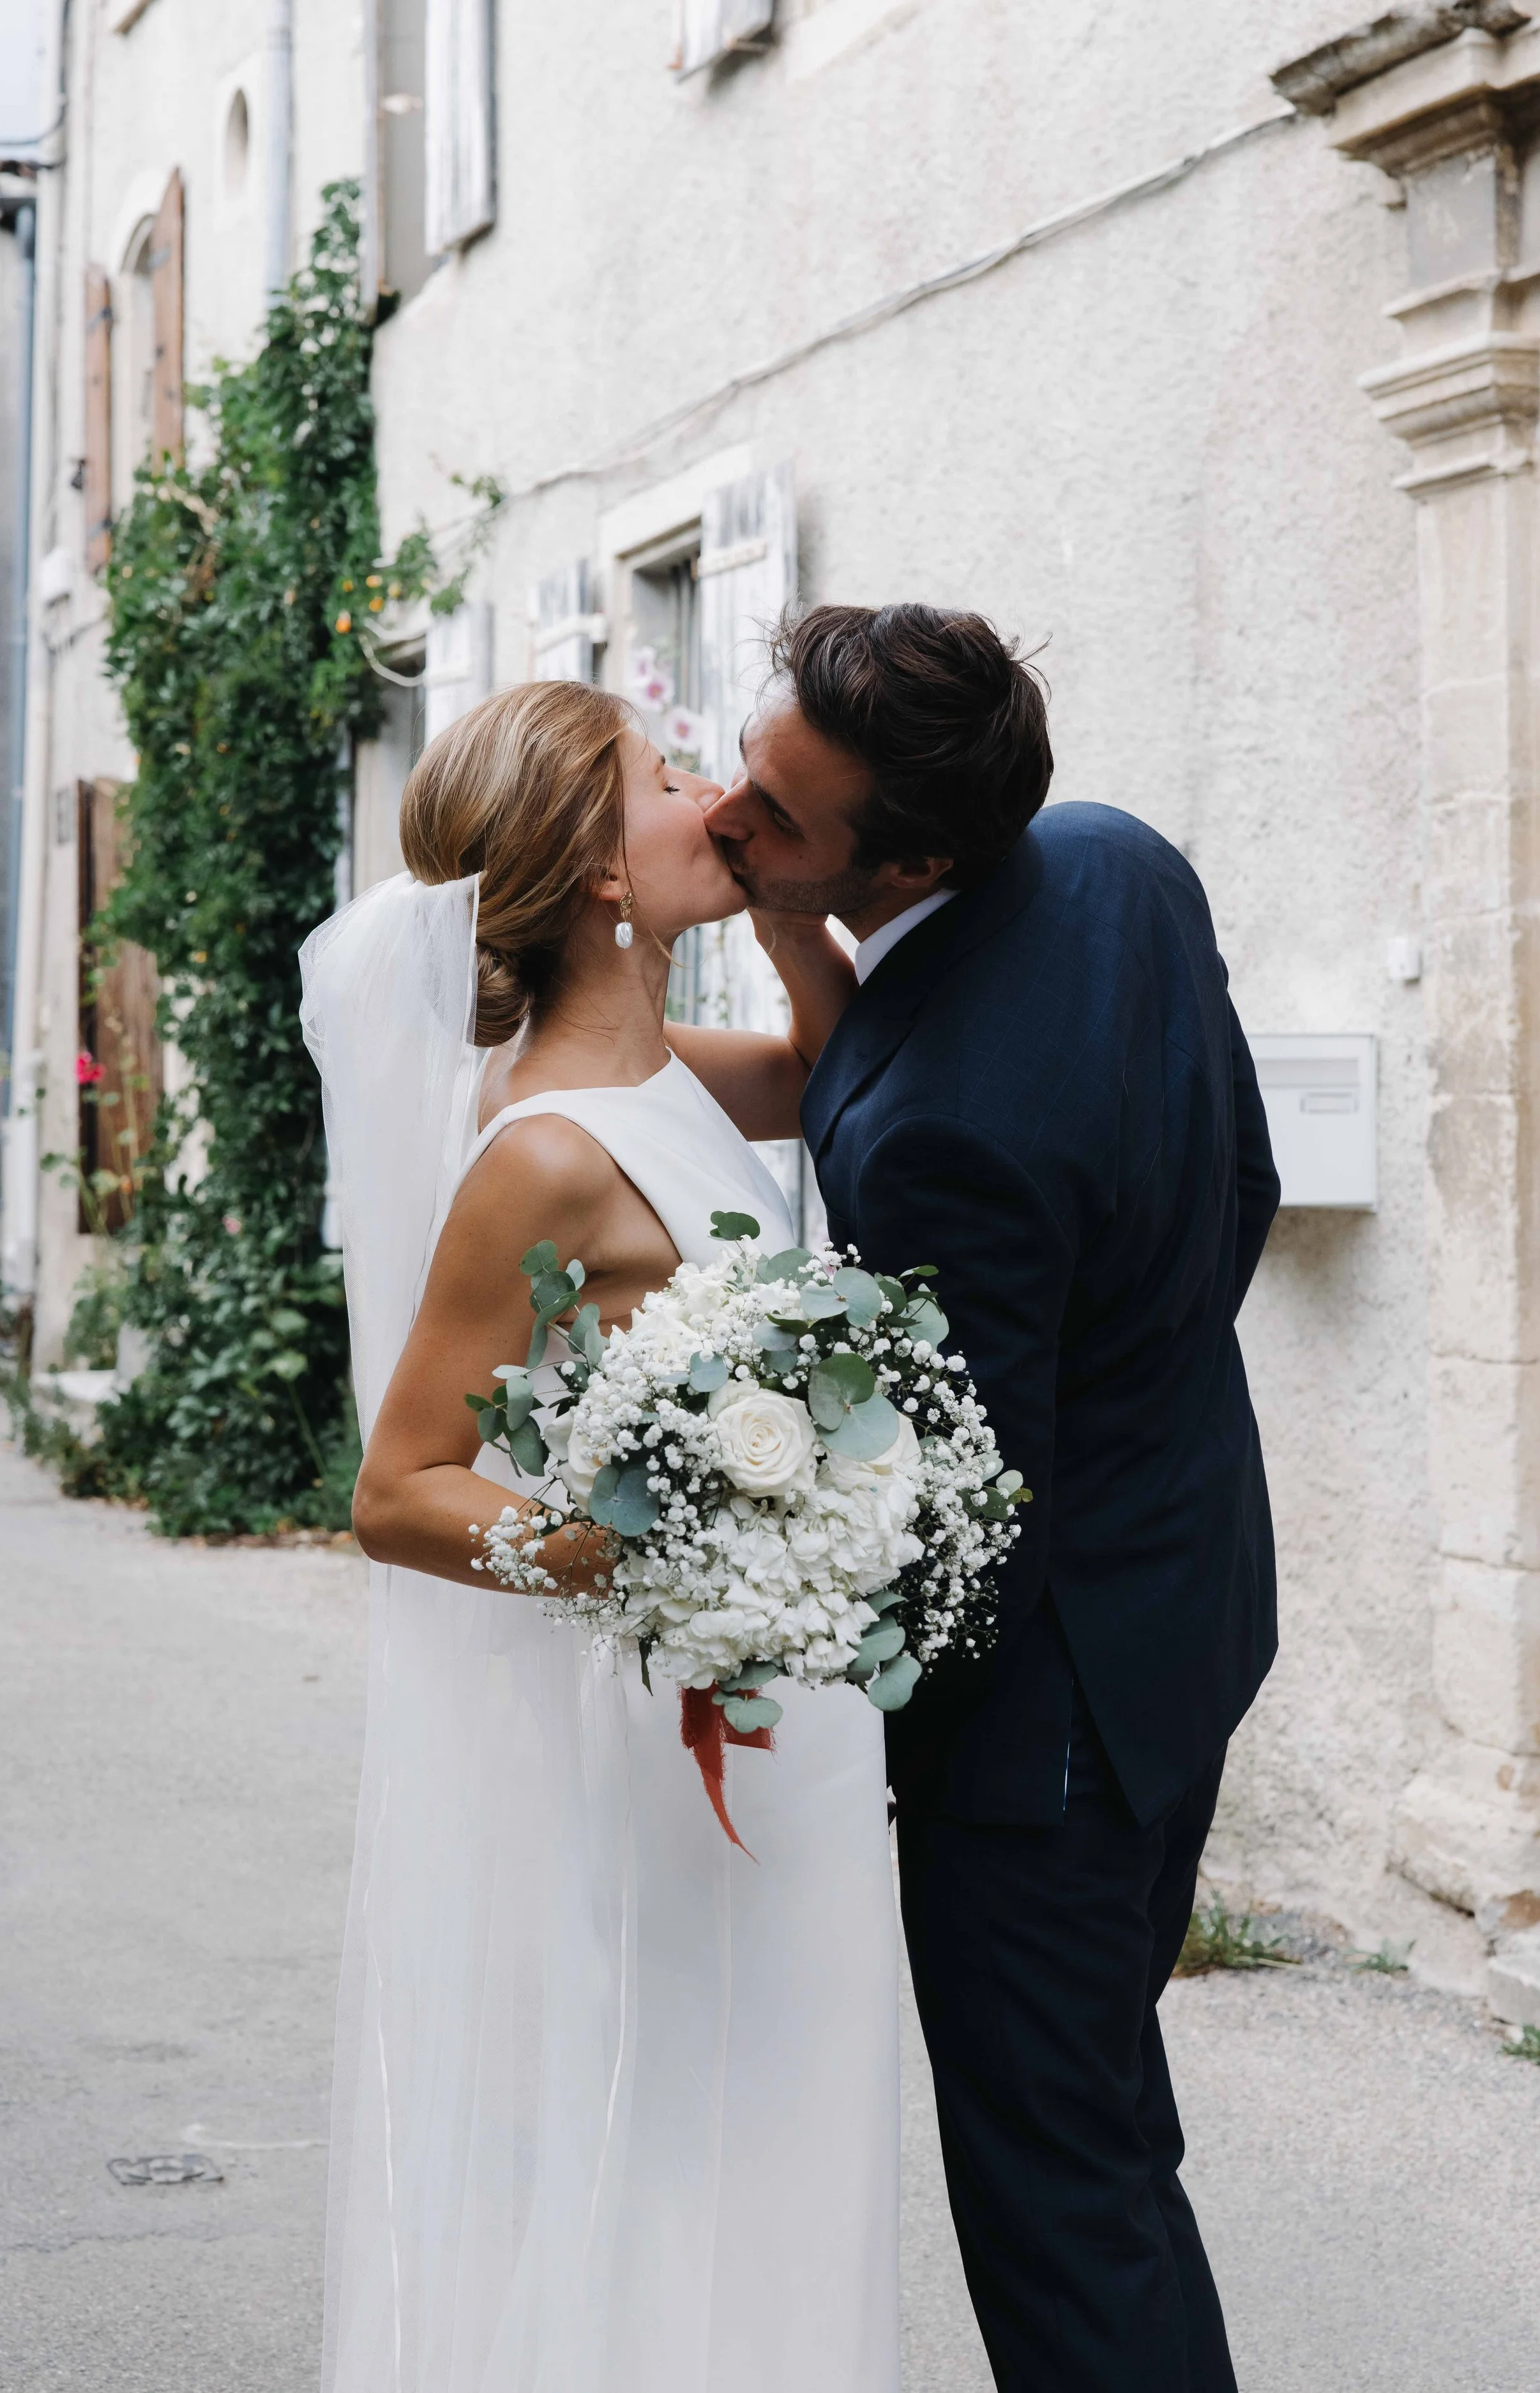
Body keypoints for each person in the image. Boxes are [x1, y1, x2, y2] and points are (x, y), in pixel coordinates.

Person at [705, 602, 1281, 2393]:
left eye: (778, 822)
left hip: (1048, 1728)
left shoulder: (944, 1133)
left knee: (1054, 2188)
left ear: (916, 853)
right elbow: (1238, 1181)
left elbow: (962, 1506)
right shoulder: (1113, 868)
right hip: (1190, 1588)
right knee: (1104, 2122)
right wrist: (805, 924)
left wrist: (834, 1714)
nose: (728, 820)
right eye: (744, 761)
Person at [299, 681, 898, 2393]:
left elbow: (817, 1057)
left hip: (796, 1712)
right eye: (668, 777)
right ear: (596, 875)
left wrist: (789, 901)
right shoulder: (543, 1148)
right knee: (699, 2127)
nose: (709, 792)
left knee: (799, 2119)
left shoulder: (663, 1077)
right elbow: (400, 1486)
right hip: (689, 1720)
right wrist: (662, 1554)